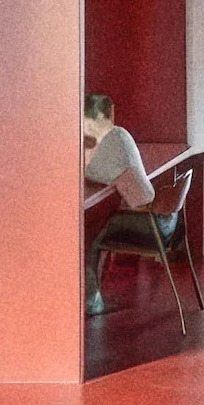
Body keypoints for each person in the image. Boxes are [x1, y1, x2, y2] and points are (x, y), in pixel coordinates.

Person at [83, 94, 156, 314]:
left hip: (147, 223)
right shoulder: (120, 135)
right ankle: (90, 297)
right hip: (155, 217)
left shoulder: (112, 140)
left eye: (85, 120)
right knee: (96, 226)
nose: (83, 126)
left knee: (87, 236)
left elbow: (92, 172)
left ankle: (91, 301)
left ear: (96, 118)